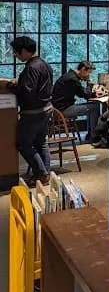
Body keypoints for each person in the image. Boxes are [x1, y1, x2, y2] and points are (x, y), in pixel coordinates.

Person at [8, 36, 53, 184]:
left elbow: (27, 93)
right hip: (46, 109)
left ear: (26, 51)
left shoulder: (31, 67)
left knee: (23, 144)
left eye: (17, 51)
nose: (16, 55)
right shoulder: (44, 64)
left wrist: (13, 87)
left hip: (33, 112)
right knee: (41, 143)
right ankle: (45, 174)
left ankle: (41, 173)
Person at [52, 60, 99, 141]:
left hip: (58, 108)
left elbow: (81, 93)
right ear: (83, 69)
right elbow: (85, 95)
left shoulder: (69, 76)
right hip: (62, 110)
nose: (89, 75)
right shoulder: (73, 79)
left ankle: (90, 134)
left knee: (91, 105)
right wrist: (89, 82)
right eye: (89, 72)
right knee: (95, 107)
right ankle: (94, 136)